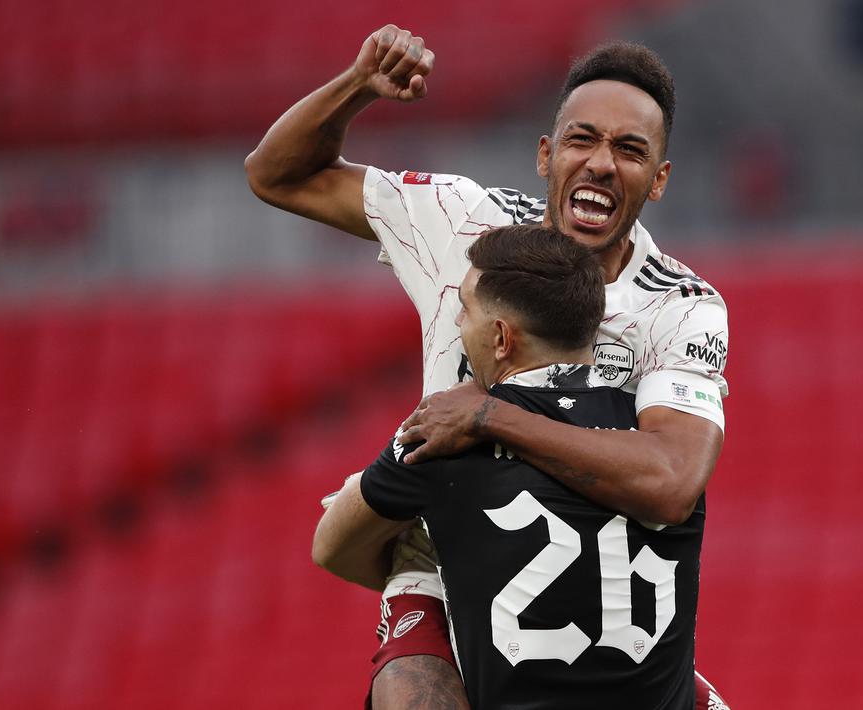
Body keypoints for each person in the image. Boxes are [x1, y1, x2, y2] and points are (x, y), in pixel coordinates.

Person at [245, 24, 730, 710]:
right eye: (581, 139)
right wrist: (358, 87)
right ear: (545, 154)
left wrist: (485, 415)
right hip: (444, 553)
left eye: (628, 150)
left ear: (657, 181)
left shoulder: (681, 306)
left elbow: (671, 483)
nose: (598, 163)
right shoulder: (463, 220)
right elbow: (276, 174)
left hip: (592, 574)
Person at [315, 225, 706, 709]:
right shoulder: (661, 447)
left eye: (466, 308)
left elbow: (331, 547)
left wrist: (432, 592)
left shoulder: (443, 437)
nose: (459, 320)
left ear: (501, 338)